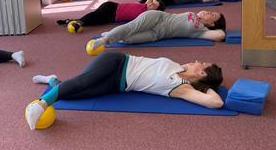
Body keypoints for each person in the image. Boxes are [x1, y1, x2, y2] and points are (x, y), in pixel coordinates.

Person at [25, 52, 224, 130]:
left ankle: (51, 79)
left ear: (204, 75)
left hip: (117, 85)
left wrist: (206, 87)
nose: (199, 61)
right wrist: (198, 75)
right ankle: (41, 105)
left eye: (204, 65)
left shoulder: (182, 88)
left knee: (73, 96)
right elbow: (192, 66)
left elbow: (216, 103)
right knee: (82, 82)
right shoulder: (179, 65)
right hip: (116, 62)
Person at [87, 10, 226, 52]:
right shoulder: (193, 13)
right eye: (211, 11)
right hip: (157, 17)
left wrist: (219, 29)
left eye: (213, 15)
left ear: (212, 23)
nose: (209, 12)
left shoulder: (201, 31)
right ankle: (104, 40)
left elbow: (220, 35)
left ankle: (111, 34)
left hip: (157, 35)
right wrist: (203, 15)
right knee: (132, 27)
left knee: (128, 40)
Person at [56, 0, 165, 27]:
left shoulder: (146, 14)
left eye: (154, 5)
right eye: (153, 2)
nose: (151, 4)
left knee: (93, 21)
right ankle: (79, 22)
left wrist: (158, 8)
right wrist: (155, 1)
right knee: (95, 14)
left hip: (110, 18)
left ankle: (70, 21)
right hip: (111, 7)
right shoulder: (144, 5)